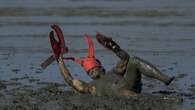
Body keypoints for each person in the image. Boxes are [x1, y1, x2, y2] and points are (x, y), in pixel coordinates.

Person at [55, 32, 174, 96]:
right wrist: (59, 60)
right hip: (120, 93)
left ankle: (164, 78)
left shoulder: (114, 71)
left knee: (134, 60)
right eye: (90, 71)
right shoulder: (90, 86)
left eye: (94, 68)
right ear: (89, 76)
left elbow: (125, 59)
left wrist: (113, 47)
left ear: (101, 68)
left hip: (128, 85)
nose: (92, 71)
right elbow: (69, 80)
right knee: (128, 94)